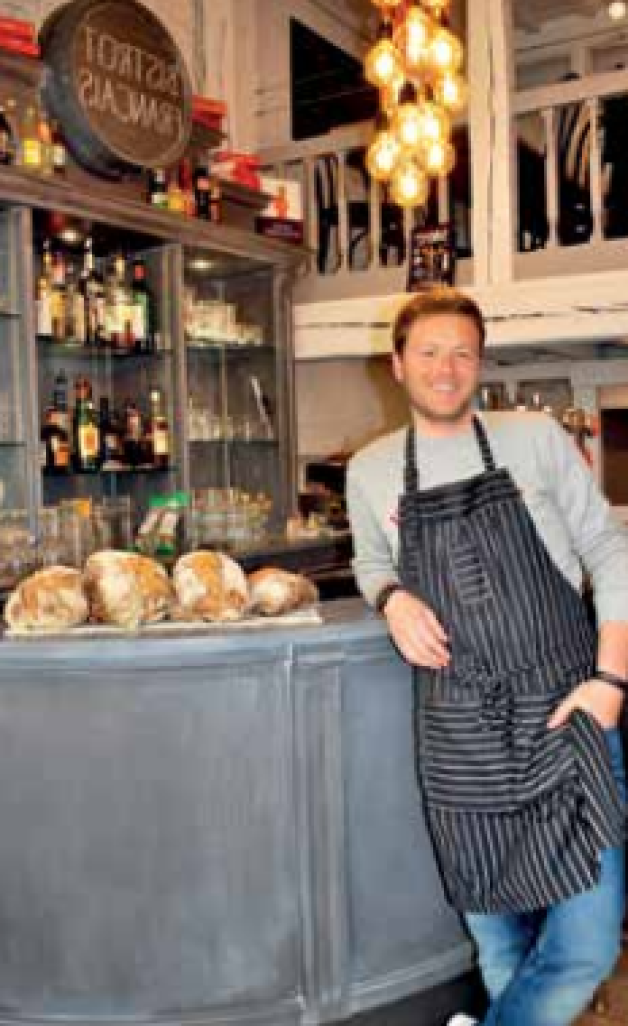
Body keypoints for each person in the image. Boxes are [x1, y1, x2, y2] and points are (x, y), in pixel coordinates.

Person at [346, 288, 628, 1026]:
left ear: (480, 363)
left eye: (463, 353)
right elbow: (371, 561)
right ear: (398, 364)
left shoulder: (532, 438)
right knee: (501, 949)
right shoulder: (371, 470)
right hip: (458, 729)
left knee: (585, 949)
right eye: (430, 352)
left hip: (567, 711)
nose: (447, 368)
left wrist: (610, 681)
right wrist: (390, 599)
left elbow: (609, 547)